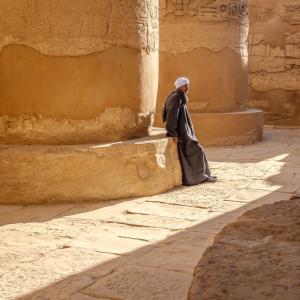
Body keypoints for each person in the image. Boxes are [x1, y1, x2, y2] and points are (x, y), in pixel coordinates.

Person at [162, 77, 217, 186]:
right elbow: (172, 115)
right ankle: (199, 177)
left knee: (195, 152)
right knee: (198, 150)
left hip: (183, 132)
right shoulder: (177, 97)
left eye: (188, 85)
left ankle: (202, 175)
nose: (187, 87)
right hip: (182, 134)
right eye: (185, 86)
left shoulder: (176, 96)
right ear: (179, 87)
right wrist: (173, 133)